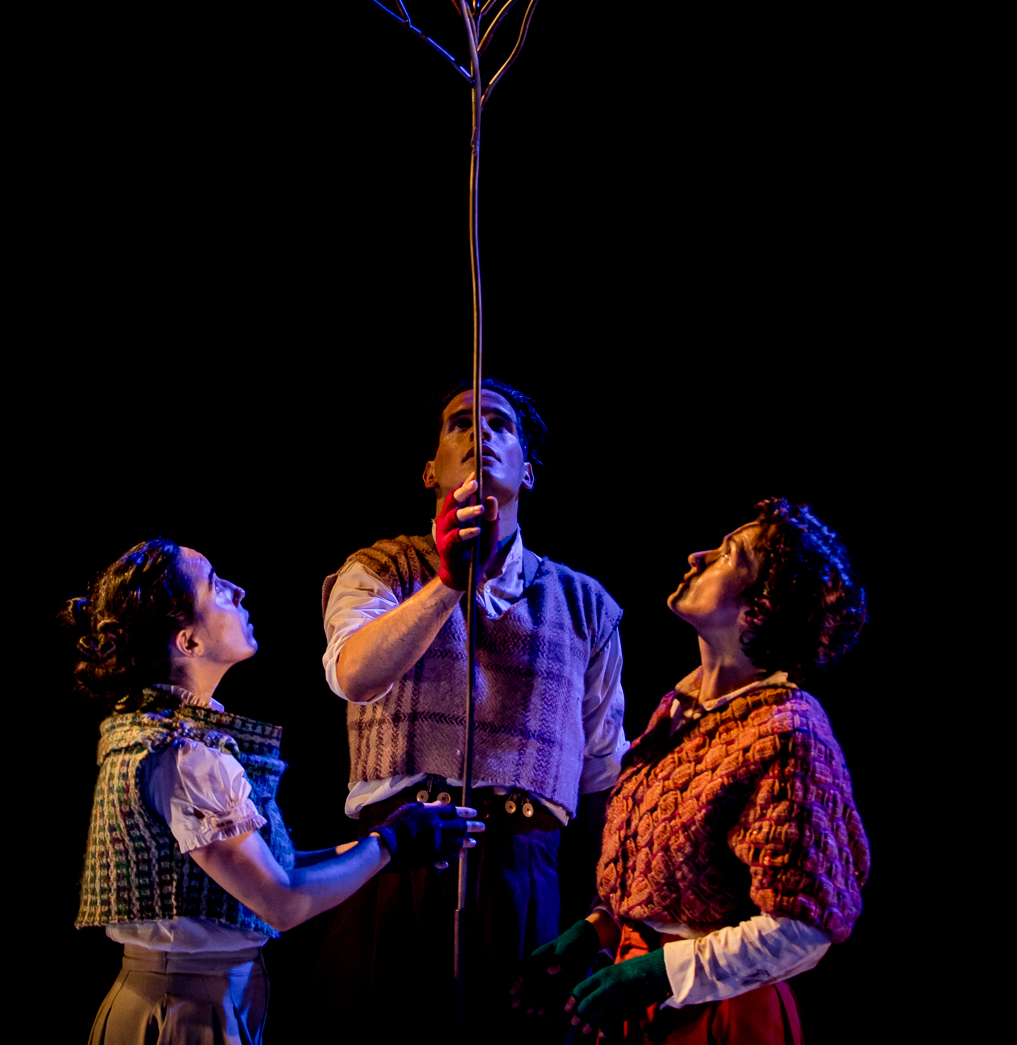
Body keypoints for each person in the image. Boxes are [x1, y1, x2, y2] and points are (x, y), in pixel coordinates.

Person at [70, 539, 484, 1045]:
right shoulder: (181, 754)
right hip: (182, 1009)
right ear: (189, 642)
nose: (238, 591)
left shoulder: (168, 735)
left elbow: (268, 867)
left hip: (193, 993)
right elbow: (282, 901)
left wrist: (381, 849)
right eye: (214, 586)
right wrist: (389, 844)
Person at [318, 380, 627, 1031]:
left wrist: (608, 919)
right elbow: (354, 675)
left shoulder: (586, 604)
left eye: (499, 424)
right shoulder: (380, 568)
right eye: (460, 422)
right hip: (394, 862)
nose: (479, 432)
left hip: (523, 873)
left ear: (529, 472)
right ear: (430, 470)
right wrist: (447, 584)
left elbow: (603, 774)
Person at [510, 497, 869, 1043]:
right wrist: (597, 929)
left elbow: (804, 926)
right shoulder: (677, 713)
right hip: (640, 1000)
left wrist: (660, 973)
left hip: (722, 1013)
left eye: (728, 554)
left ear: (760, 607)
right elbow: (670, 884)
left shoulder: (788, 732)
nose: (697, 557)